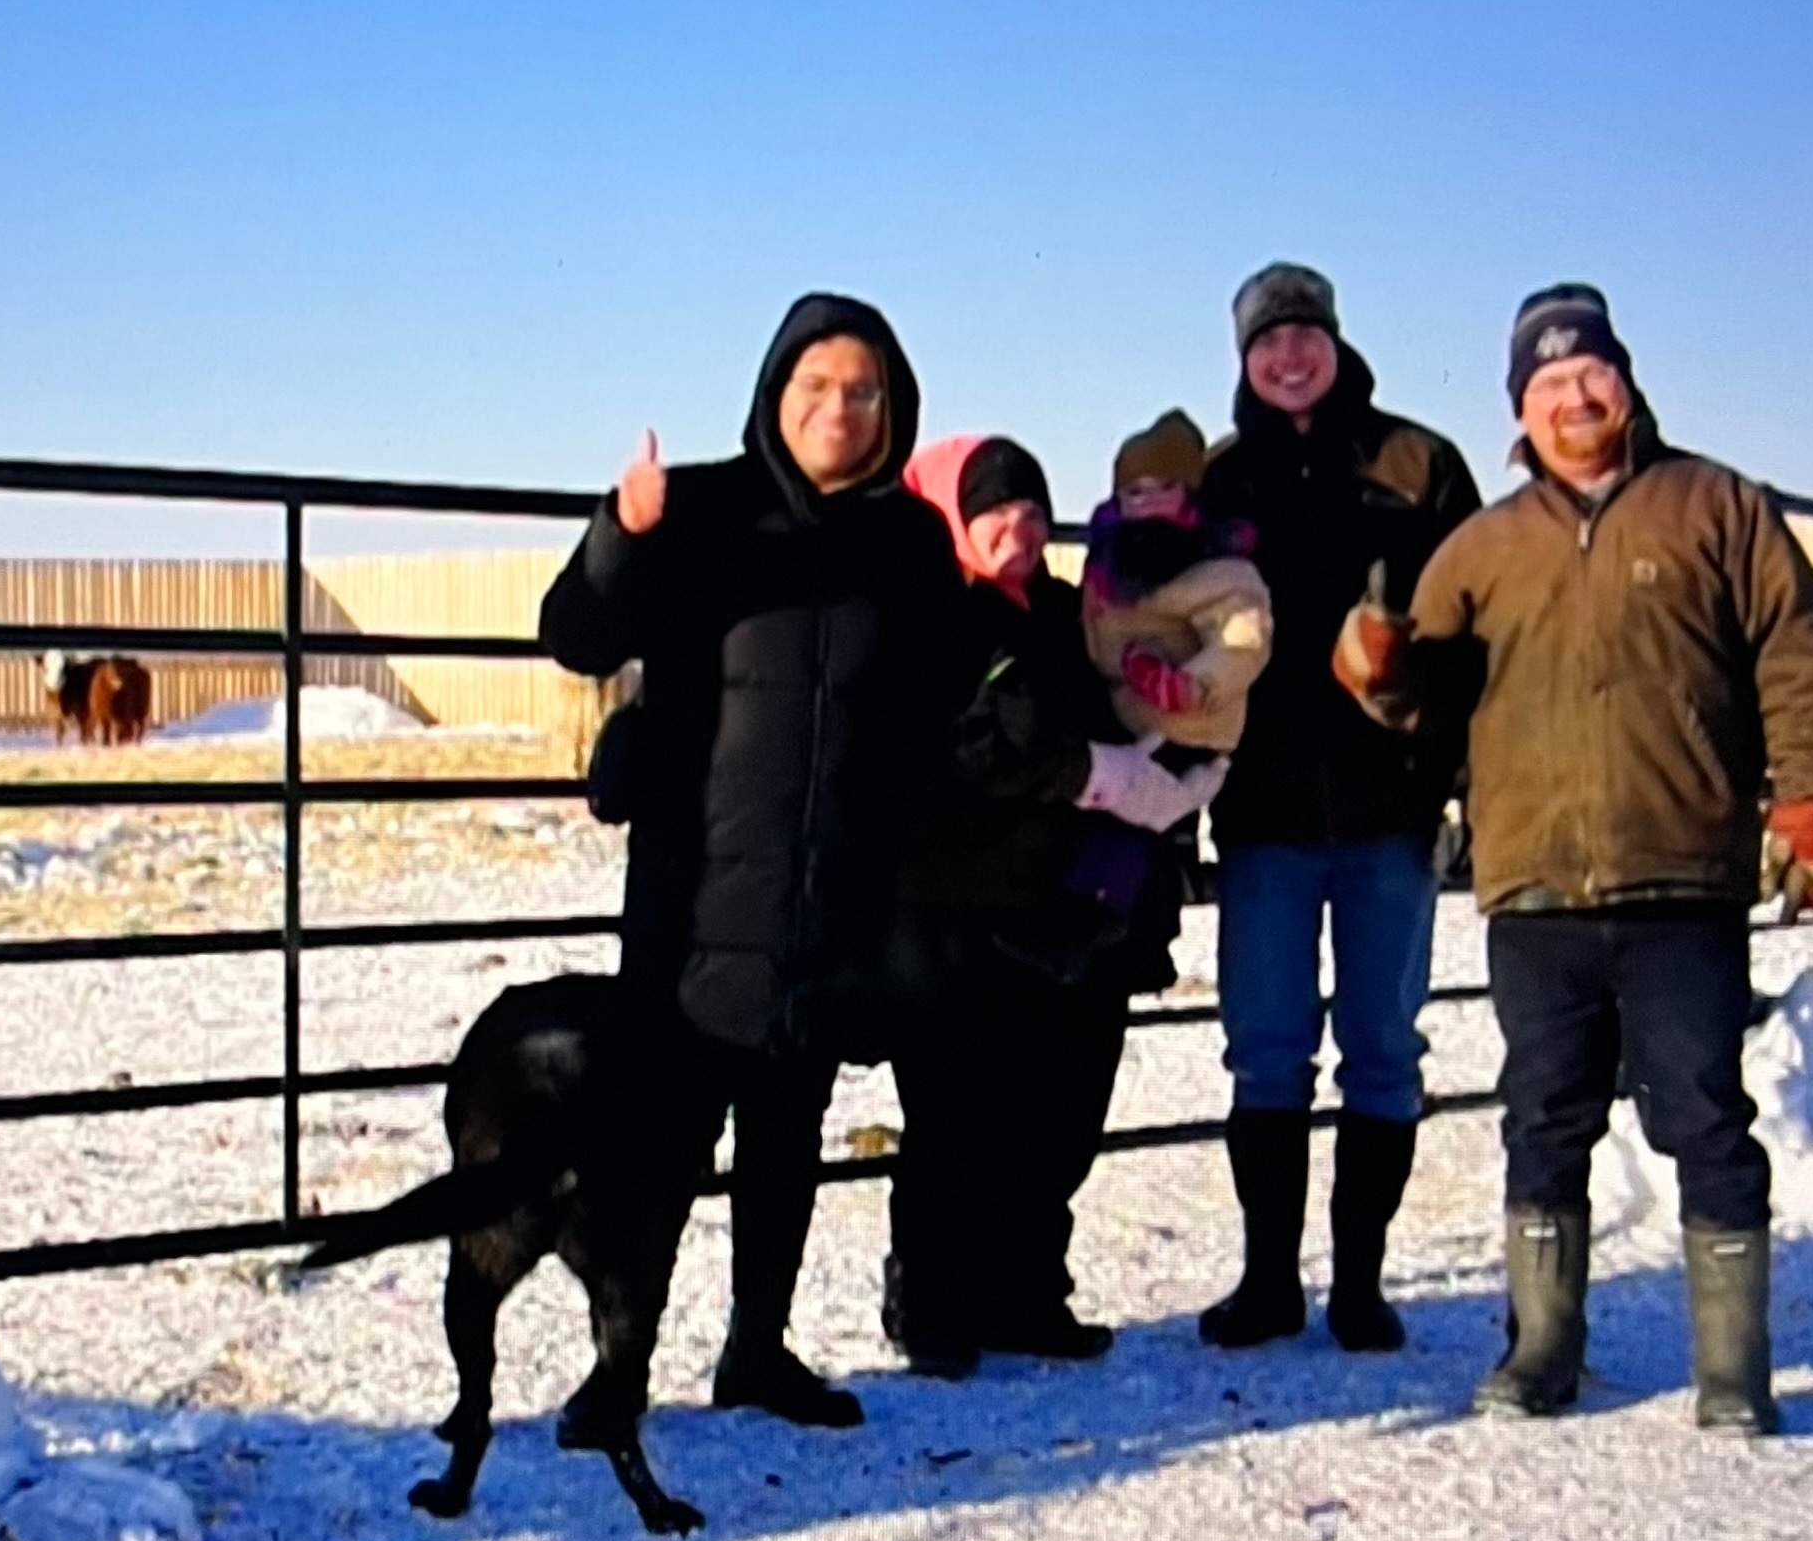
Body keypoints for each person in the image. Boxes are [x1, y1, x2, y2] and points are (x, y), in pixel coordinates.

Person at [1334, 283, 1813, 1431]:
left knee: (1704, 1114)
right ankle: (1541, 1349)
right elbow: (1423, 698)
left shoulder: (1714, 508)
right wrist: (1376, 670)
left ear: (1623, 383)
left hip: (1682, 873)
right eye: (1548, 383)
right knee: (1543, 1115)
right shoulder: (1481, 548)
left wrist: (1811, 804)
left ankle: (1732, 1368)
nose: (1573, 398)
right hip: (1536, 884)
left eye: (1590, 375)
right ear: (1518, 409)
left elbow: (1799, 653)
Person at [536, 292, 963, 1431]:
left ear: (893, 408)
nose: (839, 408)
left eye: (863, 390)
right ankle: (619, 1368)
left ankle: (757, 1350)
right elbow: (575, 634)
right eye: (816, 385)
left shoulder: (910, 543)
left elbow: (936, 705)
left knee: (787, 1139)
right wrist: (622, 533)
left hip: (834, 896)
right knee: (661, 1148)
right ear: (777, 393)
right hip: (697, 895)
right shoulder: (701, 509)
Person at [878, 433, 1228, 1379]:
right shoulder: (930, 616)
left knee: (1060, 1109)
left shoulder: (1076, 616)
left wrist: (1178, 757)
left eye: (1034, 512)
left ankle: (1027, 1290)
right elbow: (949, 750)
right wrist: (1082, 772)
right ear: (954, 517)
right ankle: (931, 1296)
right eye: (995, 509)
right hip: (957, 902)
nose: (1019, 529)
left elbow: (1132, 703)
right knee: (955, 1114)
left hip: (1072, 903)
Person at [1194, 262, 1481, 1354]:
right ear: (1244, 358)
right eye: (1266, 341)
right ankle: (1268, 1279)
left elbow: (1475, 628)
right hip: (1262, 810)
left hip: (1386, 809)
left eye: (1303, 333)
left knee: (1382, 1047)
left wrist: (1434, 742)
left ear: (1335, 340)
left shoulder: (1419, 465)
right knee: (1265, 1049)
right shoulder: (1219, 481)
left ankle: (1359, 1285)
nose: (1288, 356)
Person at [1035, 407, 1273, 972]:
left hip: (1189, 723)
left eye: (1163, 488)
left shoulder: (1219, 568)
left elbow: (1243, 638)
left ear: (1191, 494)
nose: (1146, 502)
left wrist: (1190, 686)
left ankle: (1104, 919)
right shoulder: (1110, 561)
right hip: (1127, 710)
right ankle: (1104, 917)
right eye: (1134, 491)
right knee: (1101, 808)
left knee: (1129, 813)